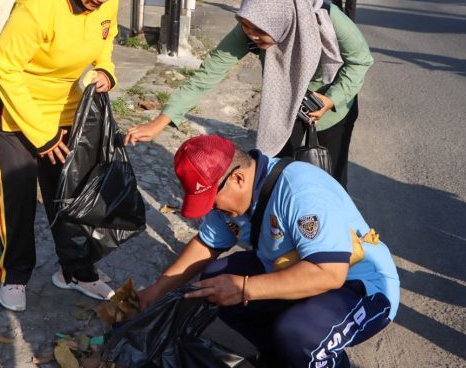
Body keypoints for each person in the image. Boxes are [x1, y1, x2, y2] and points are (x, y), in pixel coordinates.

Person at [137, 135, 400, 367]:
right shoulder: (229, 199)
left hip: (360, 287)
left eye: (211, 202)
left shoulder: (300, 192)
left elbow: (329, 274)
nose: (211, 210)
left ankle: (312, 354)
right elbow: (207, 244)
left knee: (300, 333)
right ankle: (278, 358)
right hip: (296, 270)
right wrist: (158, 289)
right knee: (213, 283)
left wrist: (244, 288)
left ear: (237, 178)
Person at [0, 0, 127, 312]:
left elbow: (105, 40)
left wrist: (106, 70)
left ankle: (76, 271)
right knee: (19, 191)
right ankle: (15, 274)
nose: (105, 0)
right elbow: (4, 69)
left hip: (63, 102)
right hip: (9, 101)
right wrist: (41, 136)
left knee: (69, 190)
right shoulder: (37, 6)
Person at [125, 0, 373, 188]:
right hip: (285, 109)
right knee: (282, 179)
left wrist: (330, 99)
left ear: (284, 21)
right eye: (246, 27)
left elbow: (361, 61)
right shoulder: (254, 22)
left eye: (258, 32)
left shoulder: (328, 19)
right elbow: (209, 72)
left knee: (329, 181)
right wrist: (161, 121)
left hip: (333, 111)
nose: (251, 36)